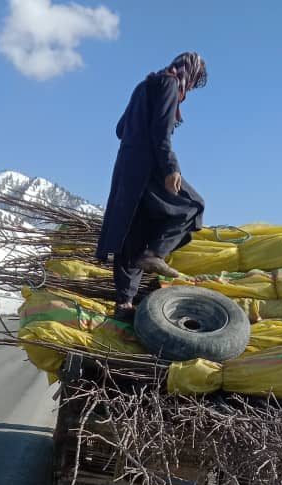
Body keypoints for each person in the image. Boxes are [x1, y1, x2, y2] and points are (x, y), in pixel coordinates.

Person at [96, 52, 208, 322]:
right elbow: (161, 132)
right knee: (192, 205)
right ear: (188, 73)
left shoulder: (144, 86)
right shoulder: (169, 85)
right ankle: (155, 253)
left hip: (127, 168)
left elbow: (121, 129)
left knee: (132, 231)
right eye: (192, 83)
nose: (189, 89)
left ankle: (124, 303)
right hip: (148, 167)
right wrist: (171, 168)